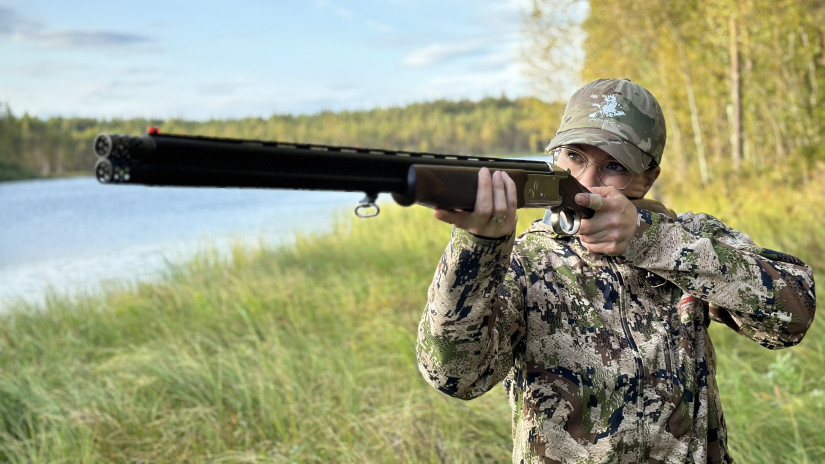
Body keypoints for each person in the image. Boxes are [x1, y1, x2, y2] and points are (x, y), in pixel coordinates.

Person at [415, 78, 816, 463]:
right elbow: (455, 375)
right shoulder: (529, 259)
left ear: (648, 177)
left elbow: (792, 317)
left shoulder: (686, 238)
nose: (587, 180)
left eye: (614, 166)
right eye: (574, 156)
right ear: (555, 156)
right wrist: (478, 249)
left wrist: (651, 241)